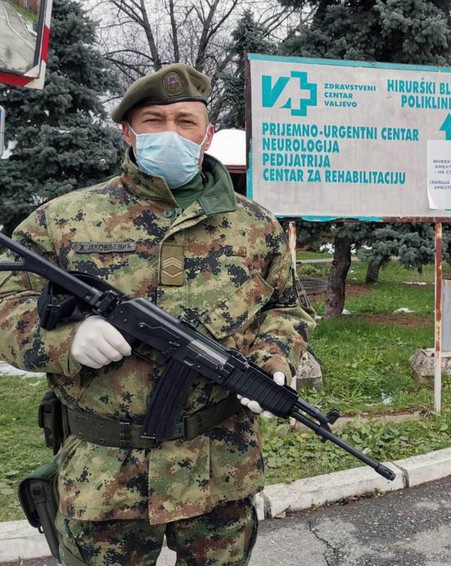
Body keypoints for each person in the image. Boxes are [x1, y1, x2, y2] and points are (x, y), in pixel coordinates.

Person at [0, 63, 315, 565]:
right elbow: (6, 301)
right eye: (154, 120)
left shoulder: (256, 225)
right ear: (129, 131)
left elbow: (287, 306)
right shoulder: (63, 220)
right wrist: (64, 341)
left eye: (186, 121)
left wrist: (274, 357)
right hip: (105, 474)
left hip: (220, 466)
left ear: (206, 133)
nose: (171, 133)